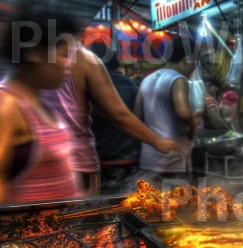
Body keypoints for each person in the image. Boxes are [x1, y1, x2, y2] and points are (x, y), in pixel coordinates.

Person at [41, 35, 177, 197]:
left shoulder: (48, 69)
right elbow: (122, 115)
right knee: (121, 207)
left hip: (91, 158)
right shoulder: (126, 83)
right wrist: (156, 141)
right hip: (121, 158)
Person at [0, 5, 82, 204]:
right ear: (33, 53)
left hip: (61, 231)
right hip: (29, 232)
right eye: (64, 54)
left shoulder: (37, 102)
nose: (69, 64)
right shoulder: (4, 103)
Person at [136, 38, 202, 187]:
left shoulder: (146, 80)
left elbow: (137, 115)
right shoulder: (178, 79)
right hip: (173, 159)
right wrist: (192, 128)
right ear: (187, 60)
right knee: (176, 205)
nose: (193, 69)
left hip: (148, 158)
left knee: (151, 204)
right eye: (195, 64)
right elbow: (183, 112)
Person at [89, 44, 141, 194]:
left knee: (103, 208)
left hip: (99, 158)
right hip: (129, 157)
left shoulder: (88, 85)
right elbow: (138, 116)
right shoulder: (128, 83)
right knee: (130, 204)